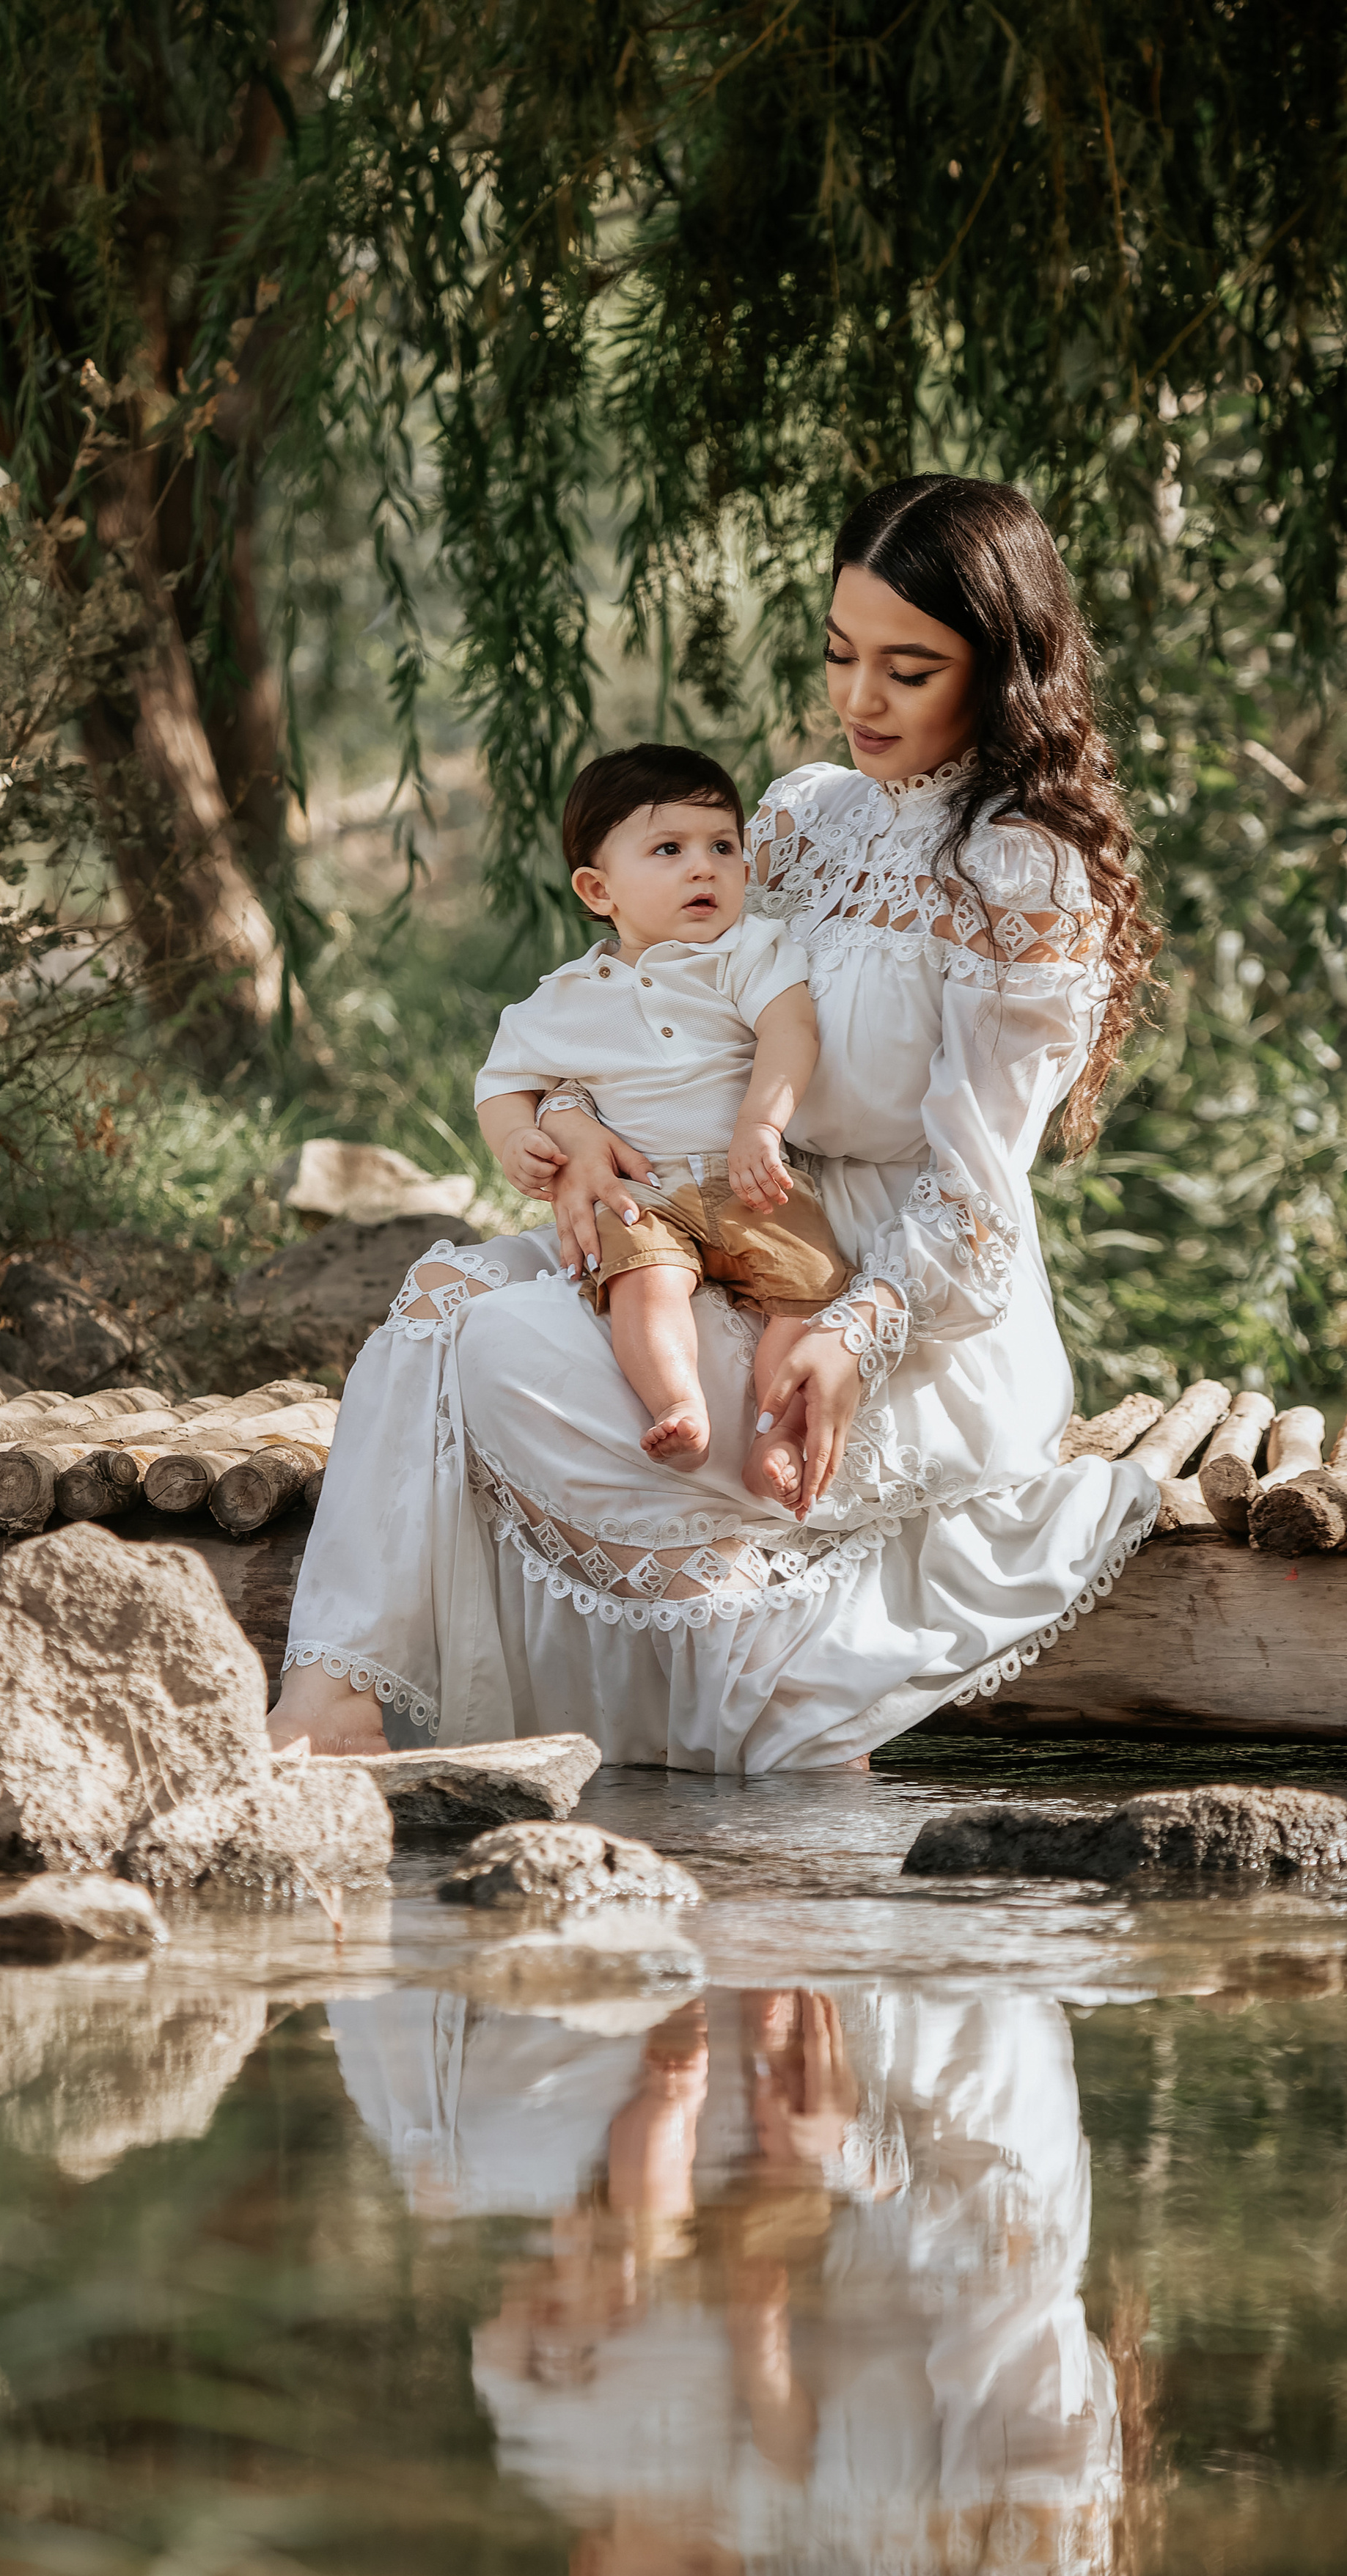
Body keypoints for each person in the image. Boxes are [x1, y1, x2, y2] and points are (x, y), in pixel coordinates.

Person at [269, 473, 1163, 1770]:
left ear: (1002, 670)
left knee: (511, 1354)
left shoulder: (1016, 868)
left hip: (901, 1293)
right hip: (708, 1208)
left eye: (909, 669)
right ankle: (332, 1700)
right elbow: (662, 1005)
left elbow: (978, 1194)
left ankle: (780, 1691)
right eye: (841, 654)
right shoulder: (799, 817)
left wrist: (857, 1336)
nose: (861, 699)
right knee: (438, 1307)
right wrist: (572, 1125)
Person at [473, 742, 849, 1499]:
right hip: (645, 1191)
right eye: (669, 849)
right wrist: (516, 1137)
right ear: (598, 889)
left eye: (723, 847)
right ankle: (676, 1402)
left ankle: (777, 1434)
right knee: (644, 1281)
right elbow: (502, 1084)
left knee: (811, 1291)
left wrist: (760, 1123)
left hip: (753, 1179)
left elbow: (790, 1031)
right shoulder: (564, 997)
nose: (704, 868)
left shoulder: (748, 952)